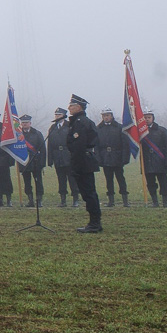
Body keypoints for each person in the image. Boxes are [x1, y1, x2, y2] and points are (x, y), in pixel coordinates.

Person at [66, 94, 102, 232]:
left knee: (89, 193)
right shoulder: (80, 121)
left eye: (72, 106)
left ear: (79, 107)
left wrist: (75, 166)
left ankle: (94, 223)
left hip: (83, 161)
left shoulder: (80, 123)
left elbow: (79, 146)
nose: (69, 108)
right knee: (89, 192)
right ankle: (94, 222)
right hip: (85, 160)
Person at [96, 107, 130, 207]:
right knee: (108, 180)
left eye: (107, 115)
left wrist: (124, 158)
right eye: (104, 116)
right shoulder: (98, 129)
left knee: (121, 179)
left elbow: (125, 144)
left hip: (117, 157)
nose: (106, 117)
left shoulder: (120, 128)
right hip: (105, 157)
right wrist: (98, 159)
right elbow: (96, 146)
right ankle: (111, 200)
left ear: (111, 116)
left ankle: (125, 200)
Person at [48, 107, 80, 207]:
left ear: (64, 116)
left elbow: (76, 142)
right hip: (57, 156)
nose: (57, 117)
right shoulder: (52, 128)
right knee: (61, 179)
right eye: (56, 115)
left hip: (68, 156)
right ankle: (63, 200)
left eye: (59, 115)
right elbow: (50, 145)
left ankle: (75, 199)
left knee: (72, 179)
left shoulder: (70, 126)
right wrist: (50, 159)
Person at [141, 110, 167, 208]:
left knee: (163, 182)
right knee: (150, 183)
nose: (147, 119)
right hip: (147, 161)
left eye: (148, 117)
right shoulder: (141, 132)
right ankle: (155, 202)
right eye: (145, 117)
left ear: (153, 118)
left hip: (160, 161)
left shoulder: (162, 130)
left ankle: (165, 202)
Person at [19, 115, 46, 208]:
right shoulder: (18, 135)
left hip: (36, 162)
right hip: (24, 161)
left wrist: (42, 163)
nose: (24, 124)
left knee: (38, 181)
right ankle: (30, 200)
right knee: (27, 182)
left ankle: (39, 200)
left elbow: (43, 149)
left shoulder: (37, 134)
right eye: (23, 122)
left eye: (26, 122)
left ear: (30, 123)